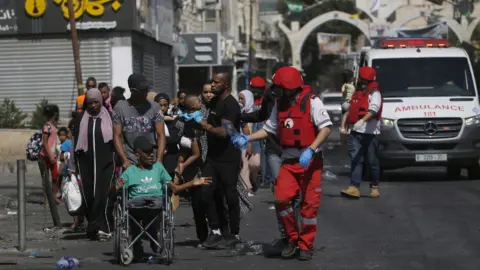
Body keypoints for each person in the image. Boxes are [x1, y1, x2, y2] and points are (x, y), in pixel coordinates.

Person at [233, 66, 332, 260]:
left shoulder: (313, 102)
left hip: (310, 162)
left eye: (278, 87)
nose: (274, 91)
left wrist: (311, 149)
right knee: (281, 198)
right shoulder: (279, 104)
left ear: (289, 87)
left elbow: (326, 128)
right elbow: (269, 130)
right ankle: (292, 238)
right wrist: (249, 138)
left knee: (309, 207)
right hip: (289, 160)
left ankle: (306, 245)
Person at [115, 135, 211, 259]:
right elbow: (113, 192)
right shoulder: (130, 171)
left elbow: (174, 188)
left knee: (156, 210)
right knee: (130, 213)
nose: (151, 155)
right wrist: (116, 185)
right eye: (147, 152)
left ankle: (154, 238)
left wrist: (192, 183)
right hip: (135, 206)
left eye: (152, 152)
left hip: (156, 205)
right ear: (137, 155)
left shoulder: (158, 168)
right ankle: (137, 245)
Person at [240, 63, 298, 246]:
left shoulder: (303, 97)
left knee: (296, 195)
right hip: (274, 149)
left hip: (295, 149)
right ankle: (286, 234)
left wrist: (312, 149)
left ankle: (296, 232)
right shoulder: (270, 95)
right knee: (281, 192)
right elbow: (265, 119)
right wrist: (241, 118)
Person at [195, 70, 242, 249]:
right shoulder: (215, 101)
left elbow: (225, 132)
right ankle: (215, 232)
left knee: (230, 196)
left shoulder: (231, 105)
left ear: (226, 85)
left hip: (229, 158)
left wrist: (205, 127)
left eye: (216, 83)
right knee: (206, 193)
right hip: (213, 158)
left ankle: (234, 233)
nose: (212, 85)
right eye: (212, 82)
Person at [74, 88, 115, 241]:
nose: (93, 106)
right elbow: (75, 142)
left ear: (101, 101)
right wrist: (73, 163)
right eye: (90, 102)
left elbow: (116, 139)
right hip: (85, 163)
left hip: (106, 162)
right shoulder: (81, 118)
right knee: (88, 196)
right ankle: (92, 227)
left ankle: (103, 228)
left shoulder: (109, 117)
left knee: (103, 196)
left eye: (96, 102)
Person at [340, 66, 382, 199]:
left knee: (372, 160)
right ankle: (354, 187)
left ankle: (374, 185)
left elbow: (373, 110)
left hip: (370, 133)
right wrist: (346, 103)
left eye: (363, 80)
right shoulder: (355, 92)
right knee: (356, 159)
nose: (361, 82)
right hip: (355, 132)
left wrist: (362, 121)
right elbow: (349, 107)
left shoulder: (375, 94)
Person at [112, 74, 166, 169]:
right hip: (131, 161)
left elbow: (161, 134)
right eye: (143, 90)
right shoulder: (120, 108)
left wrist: (159, 160)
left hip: (151, 161)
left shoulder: (155, 107)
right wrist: (124, 160)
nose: (146, 92)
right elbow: (117, 135)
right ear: (132, 90)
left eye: (147, 88)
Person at [238, 90, 260, 196]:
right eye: (240, 98)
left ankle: (253, 180)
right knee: (244, 165)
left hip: (255, 141)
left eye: (242, 98)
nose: (240, 101)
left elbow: (261, 127)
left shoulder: (257, 111)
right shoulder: (239, 111)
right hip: (242, 142)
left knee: (255, 164)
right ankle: (247, 187)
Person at [39, 104, 61, 205]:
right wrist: (51, 155)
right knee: (45, 178)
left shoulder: (54, 126)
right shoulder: (46, 126)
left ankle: (53, 196)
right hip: (45, 156)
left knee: (55, 177)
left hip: (53, 156)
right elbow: (44, 142)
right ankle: (46, 200)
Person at [340, 69, 355, 133]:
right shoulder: (345, 85)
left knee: (349, 115)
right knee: (347, 114)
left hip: (350, 102)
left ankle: (347, 128)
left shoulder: (352, 85)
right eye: (352, 76)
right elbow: (344, 94)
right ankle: (342, 127)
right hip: (347, 102)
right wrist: (345, 90)